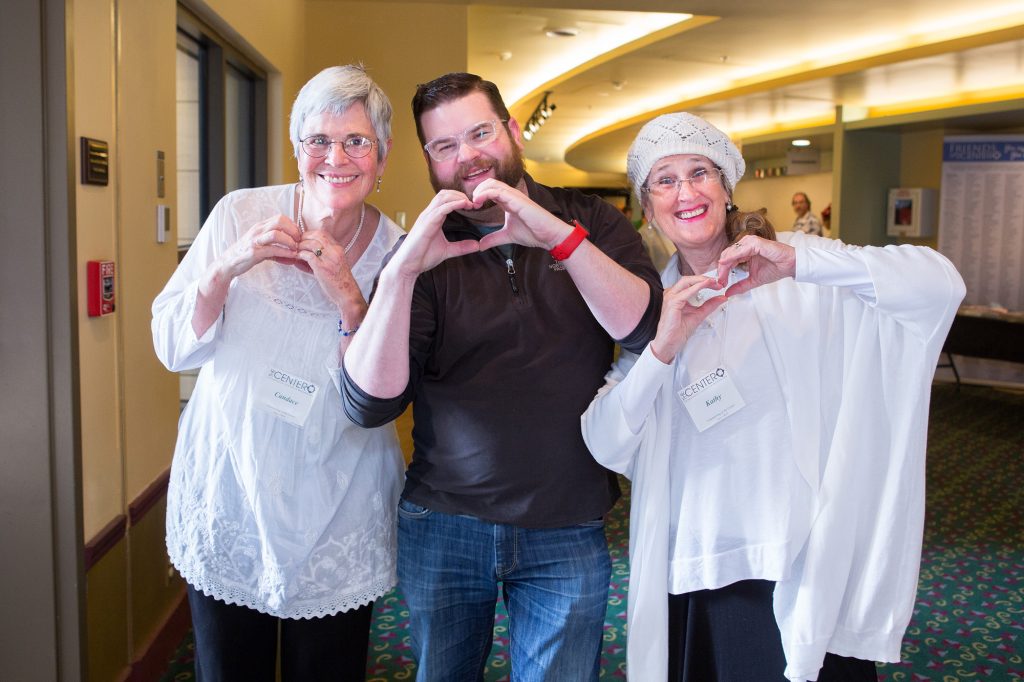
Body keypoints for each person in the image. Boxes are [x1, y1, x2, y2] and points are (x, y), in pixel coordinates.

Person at [580, 112, 965, 682]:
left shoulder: (801, 269)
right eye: (664, 180)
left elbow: (940, 284)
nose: (685, 192)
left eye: (699, 172)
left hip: (802, 560)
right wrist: (662, 350)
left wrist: (800, 264)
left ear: (726, 186)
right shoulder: (650, 306)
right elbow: (605, 439)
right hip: (701, 567)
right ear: (646, 202)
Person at [341, 72, 662, 681]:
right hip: (445, 523)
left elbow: (643, 328)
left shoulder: (587, 217)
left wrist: (554, 237)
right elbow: (370, 404)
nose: (467, 156)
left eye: (480, 132)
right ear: (430, 160)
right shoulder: (425, 252)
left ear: (513, 131)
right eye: (444, 145)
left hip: (567, 523)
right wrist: (403, 273)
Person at [151, 65, 405, 681]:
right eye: (319, 140)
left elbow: (383, 394)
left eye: (356, 141)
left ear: (383, 155)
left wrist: (350, 297)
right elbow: (172, 346)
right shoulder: (240, 213)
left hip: (337, 508)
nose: (336, 157)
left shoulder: (397, 252)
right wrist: (224, 268)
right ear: (296, 150)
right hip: (231, 490)